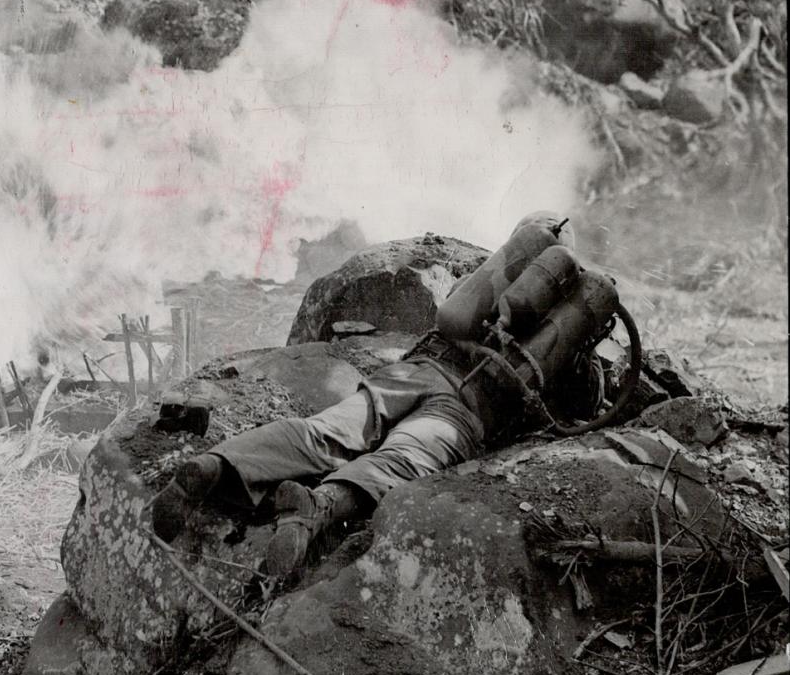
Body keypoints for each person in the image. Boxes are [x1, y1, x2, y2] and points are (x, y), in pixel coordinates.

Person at [152, 213, 605, 578]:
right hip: (463, 412)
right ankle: (319, 507)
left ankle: (221, 463)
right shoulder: (565, 335)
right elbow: (573, 412)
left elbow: (449, 317)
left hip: (413, 371)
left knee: (329, 430)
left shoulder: (487, 284)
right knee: (401, 458)